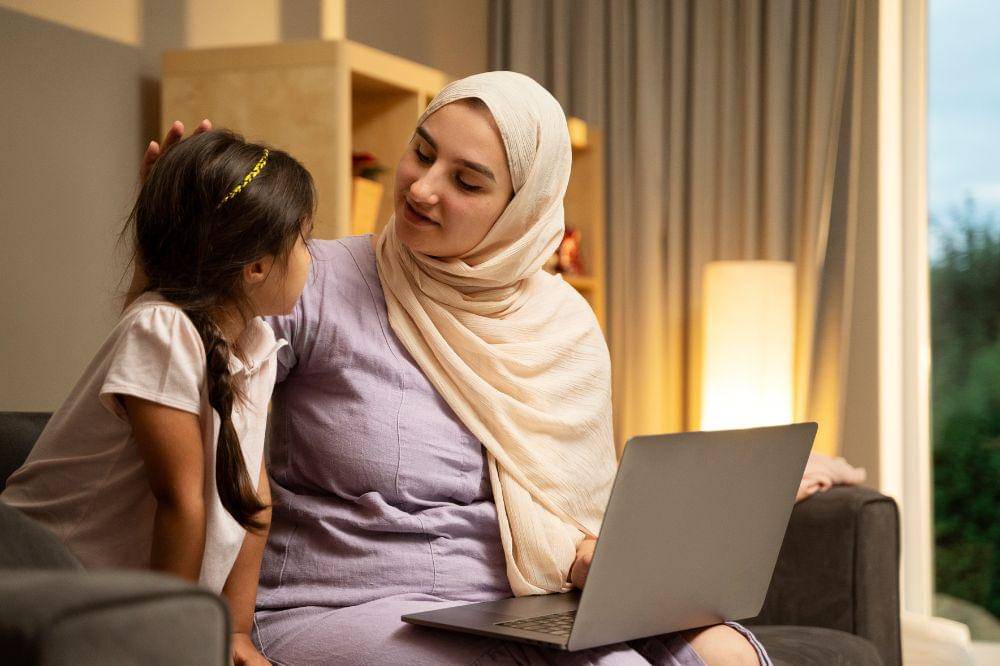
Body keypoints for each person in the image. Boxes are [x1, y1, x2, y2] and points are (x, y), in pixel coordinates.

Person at [146, 72, 768, 664]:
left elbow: (569, 504)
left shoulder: (562, 323)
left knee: (728, 654)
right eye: (421, 152)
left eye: (467, 182)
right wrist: (173, 247)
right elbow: (184, 362)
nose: (421, 188)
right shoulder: (315, 279)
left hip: (516, 604)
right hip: (344, 603)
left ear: (521, 212)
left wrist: (592, 557)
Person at [2, 130, 315, 666]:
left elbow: (253, 499)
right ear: (257, 267)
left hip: (122, 601)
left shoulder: (256, 346)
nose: (313, 255)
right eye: (305, 240)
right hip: (39, 571)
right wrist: (171, 643)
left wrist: (235, 632)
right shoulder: (162, 329)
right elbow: (180, 499)